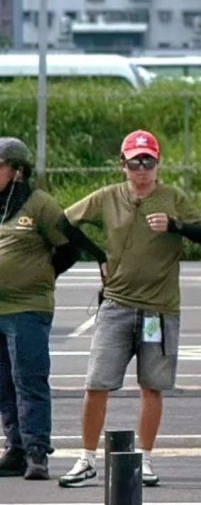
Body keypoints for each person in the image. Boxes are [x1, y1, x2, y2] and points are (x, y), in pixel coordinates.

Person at [59, 130, 201, 489]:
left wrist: (175, 226)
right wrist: (97, 255)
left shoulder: (173, 198)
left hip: (158, 310)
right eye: (135, 163)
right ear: (123, 165)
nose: (142, 170)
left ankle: (144, 458)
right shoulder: (107, 197)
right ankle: (86, 459)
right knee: (96, 383)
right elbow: (63, 222)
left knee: (152, 386)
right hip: (117, 305)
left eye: (148, 162)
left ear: (158, 163)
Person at [0, 137, 106, 481]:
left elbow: (69, 247)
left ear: (17, 171)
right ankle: (15, 449)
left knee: (28, 379)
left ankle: (36, 451)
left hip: (28, 307)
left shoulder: (39, 205)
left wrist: (43, 276)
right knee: (3, 383)